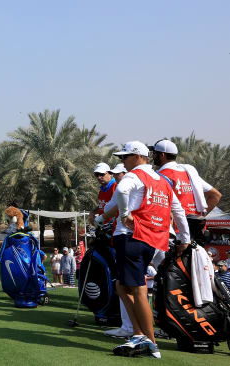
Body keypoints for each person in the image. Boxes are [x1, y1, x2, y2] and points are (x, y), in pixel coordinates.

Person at [99, 141, 190, 359]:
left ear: (138, 156)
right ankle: (139, 334)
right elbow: (177, 210)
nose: (123, 161)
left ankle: (151, 342)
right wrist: (184, 238)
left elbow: (121, 191)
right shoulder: (163, 180)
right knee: (122, 286)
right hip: (152, 241)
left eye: (125, 157)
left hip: (130, 238)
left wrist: (123, 215)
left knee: (138, 290)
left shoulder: (134, 175)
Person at [151, 139, 222, 217]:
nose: (152, 156)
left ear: (162, 155)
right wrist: (200, 217)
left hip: (175, 227)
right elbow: (216, 195)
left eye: (154, 153)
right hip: (196, 227)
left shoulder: (160, 176)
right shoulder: (190, 172)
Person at [93, 162, 118, 233]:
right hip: (103, 227)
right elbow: (103, 205)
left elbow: (121, 205)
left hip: (114, 227)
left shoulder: (116, 186)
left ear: (110, 173)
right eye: (97, 175)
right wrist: (93, 212)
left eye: (102, 174)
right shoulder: (102, 189)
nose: (99, 177)